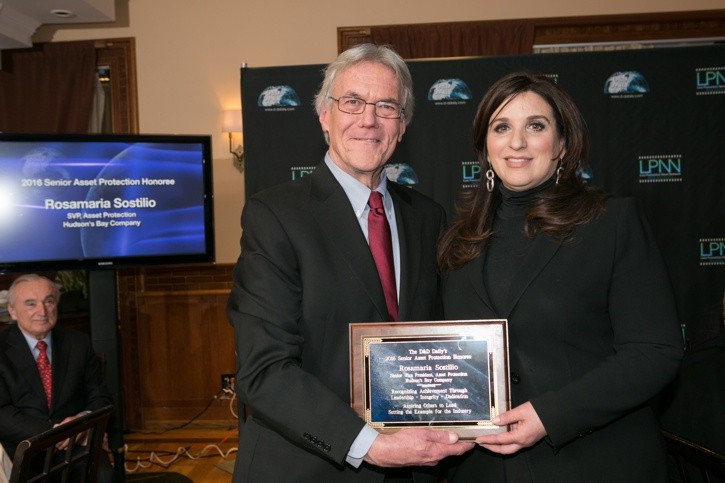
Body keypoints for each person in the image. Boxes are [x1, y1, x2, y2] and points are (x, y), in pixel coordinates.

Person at [227, 43, 473, 482]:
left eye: (386, 106)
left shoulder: (428, 217)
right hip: (308, 468)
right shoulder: (275, 216)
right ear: (324, 116)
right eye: (353, 102)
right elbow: (264, 371)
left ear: (403, 124)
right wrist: (371, 445)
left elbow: (437, 341)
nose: (369, 120)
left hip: (415, 465)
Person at [437, 72, 684, 482]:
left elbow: (655, 351)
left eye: (535, 126)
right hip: (483, 471)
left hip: (594, 463)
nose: (516, 142)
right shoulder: (456, 240)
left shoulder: (611, 222)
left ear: (563, 145)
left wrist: (549, 416)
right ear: (485, 146)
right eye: (502, 127)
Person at [0, 274, 118, 482]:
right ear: (12, 311)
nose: (42, 311)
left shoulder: (79, 343)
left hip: (77, 444)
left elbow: (100, 397)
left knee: (103, 477)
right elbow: (2, 414)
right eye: (30, 304)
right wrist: (59, 432)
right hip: (22, 448)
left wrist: (83, 422)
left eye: (49, 301)